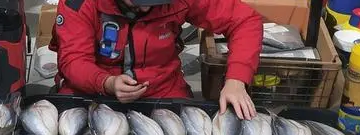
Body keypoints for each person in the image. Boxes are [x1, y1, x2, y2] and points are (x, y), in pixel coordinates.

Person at [50, 0, 263, 118]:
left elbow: (245, 20)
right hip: (91, 87)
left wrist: (236, 81)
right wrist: (106, 83)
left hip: (162, 86)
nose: (145, 8)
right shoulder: (79, 3)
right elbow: (73, 60)